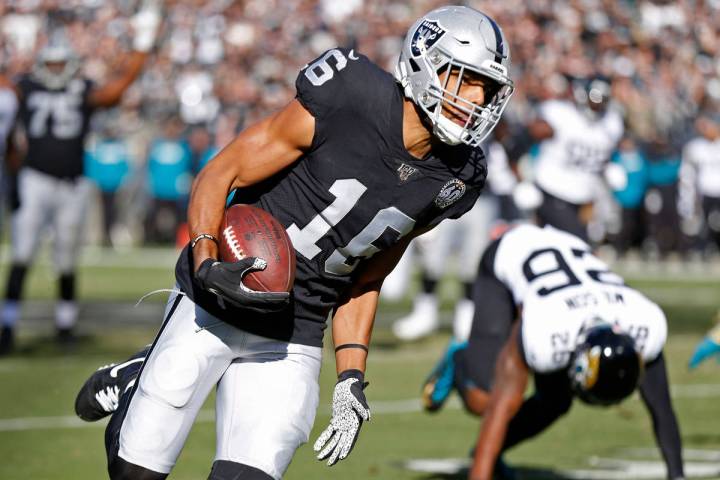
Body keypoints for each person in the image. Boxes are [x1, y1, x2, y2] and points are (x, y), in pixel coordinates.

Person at [73, 6, 515, 480]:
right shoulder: (352, 95)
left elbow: (366, 277)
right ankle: (141, 373)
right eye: (463, 78)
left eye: (485, 88)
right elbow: (225, 170)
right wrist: (205, 260)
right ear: (424, 62)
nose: (475, 98)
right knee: (135, 473)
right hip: (218, 297)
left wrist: (350, 376)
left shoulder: (458, 178)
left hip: (296, 330)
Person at [422, 224, 684, 480]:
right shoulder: (547, 331)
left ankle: (494, 451)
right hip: (508, 256)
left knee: (555, 401)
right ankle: (459, 359)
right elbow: (500, 409)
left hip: (565, 265)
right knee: (484, 400)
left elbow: (662, 408)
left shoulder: (643, 324)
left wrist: (677, 475)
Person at [0, 6, 161, 354]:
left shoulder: (81, 89)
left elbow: (115, 91)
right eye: (51, 63)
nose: (56, 70)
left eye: (61, 63)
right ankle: (8, 325)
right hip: (34, 179)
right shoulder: (25, 88)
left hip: (71, 183)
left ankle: (65, 325)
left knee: (66, 256)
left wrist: (142, 49)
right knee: (23, 253)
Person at [529, 76, 624, 241]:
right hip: (554, 189)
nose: (597, 106)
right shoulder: (561, 114)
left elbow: (604, 156)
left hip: (587, 195)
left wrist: (609, 168)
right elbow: (530, 132)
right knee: (576, 242)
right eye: (594, 100)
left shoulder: (612, 122)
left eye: (602, 101)